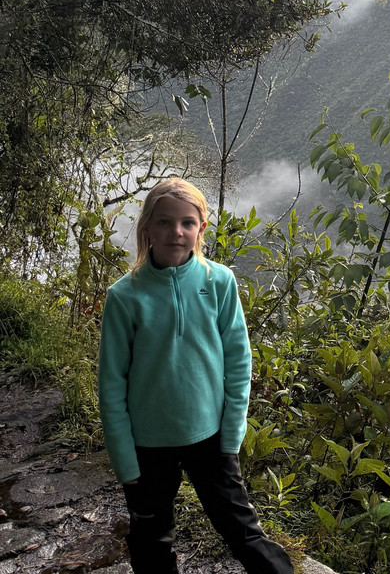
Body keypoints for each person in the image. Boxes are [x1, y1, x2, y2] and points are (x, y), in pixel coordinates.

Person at [97, 177, 292, 574]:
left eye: (188, 223)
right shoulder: (125, 296)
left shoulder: (218, 282)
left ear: (201, 229)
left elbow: (239, 361)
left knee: (243, 530)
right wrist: (125, 462)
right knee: (151, 541)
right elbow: (111, 384)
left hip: (211, 438)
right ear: (147, 227)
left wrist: (231, 434)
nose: (176, 232)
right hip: (147, 446)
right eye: (165, 222)